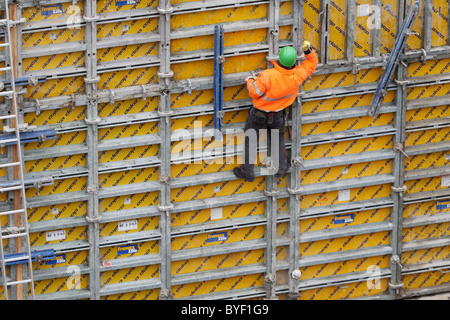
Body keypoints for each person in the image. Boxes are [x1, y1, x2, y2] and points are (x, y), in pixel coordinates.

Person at [233, 41, 319, 182]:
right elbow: (312, 63)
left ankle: (247, 172)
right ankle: (281, 168)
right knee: (277, 140)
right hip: (278, 115)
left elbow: (254, 92)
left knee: (251, 140)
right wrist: (308, 50)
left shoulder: (268, 75)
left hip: (258, 114)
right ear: (294, 62)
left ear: (279, 59)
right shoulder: (298, 74)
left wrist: (249, 80)